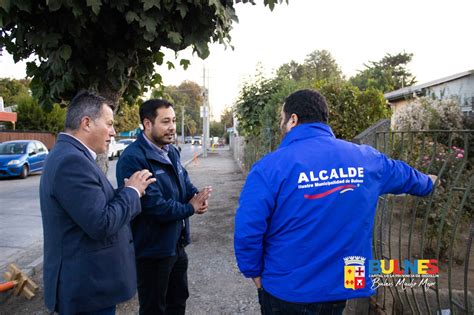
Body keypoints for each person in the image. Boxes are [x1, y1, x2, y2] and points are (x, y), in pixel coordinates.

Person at [234, 89, 437, 315]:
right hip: (340, 288)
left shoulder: (269, 167)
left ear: (293, 119)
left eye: (282, 119)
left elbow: (248, 229)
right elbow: (403, 174)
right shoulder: (366, 159)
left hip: (287, 290)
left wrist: (253, 272)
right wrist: (429, 183)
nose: (282, 125)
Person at [39, 91, 156, 315]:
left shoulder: (72, 155)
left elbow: (92, 206)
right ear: (86, 123)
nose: (113, 132)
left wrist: (124, 192)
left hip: (88, 287)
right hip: (86, 291)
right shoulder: (71, 161)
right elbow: (100, 223)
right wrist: (132, 191)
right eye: (110, 124)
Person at [116, 99, 212, 315]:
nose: (172, 127)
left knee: (177, 302)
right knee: (154, 308)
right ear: (147, 124)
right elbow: (153, 206)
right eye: (166, 121)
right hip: (152, 250)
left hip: (176, 245)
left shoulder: (171, 151)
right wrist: (190, 208)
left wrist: (196, 195)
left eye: (174, 121)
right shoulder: (133, 159)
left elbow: (183, 181)